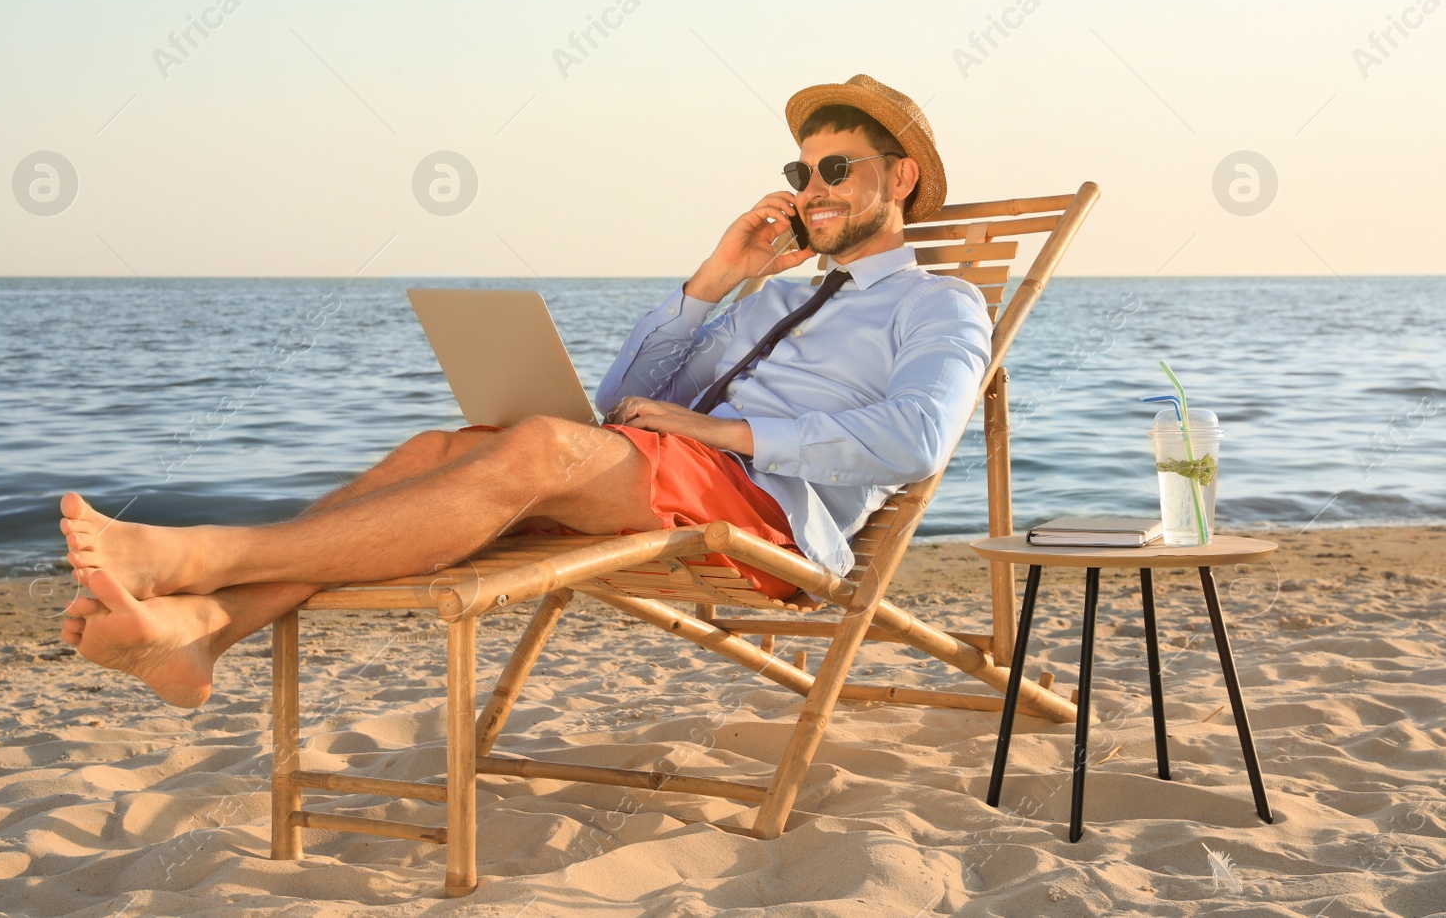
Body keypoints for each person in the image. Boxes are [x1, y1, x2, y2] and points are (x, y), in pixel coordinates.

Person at [58, 74, 991, 707]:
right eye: (802, 171)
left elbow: (914, 440)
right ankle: (202, 634)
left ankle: (198, 559)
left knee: (543, 447)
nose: (814, 187)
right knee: (438, 452)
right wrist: (715, 276)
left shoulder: (939, 303)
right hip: (669, 472)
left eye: (837, 169)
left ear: (897, 178)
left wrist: (722, 433)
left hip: (765, 514)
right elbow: (620, 402)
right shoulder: (770, 295)